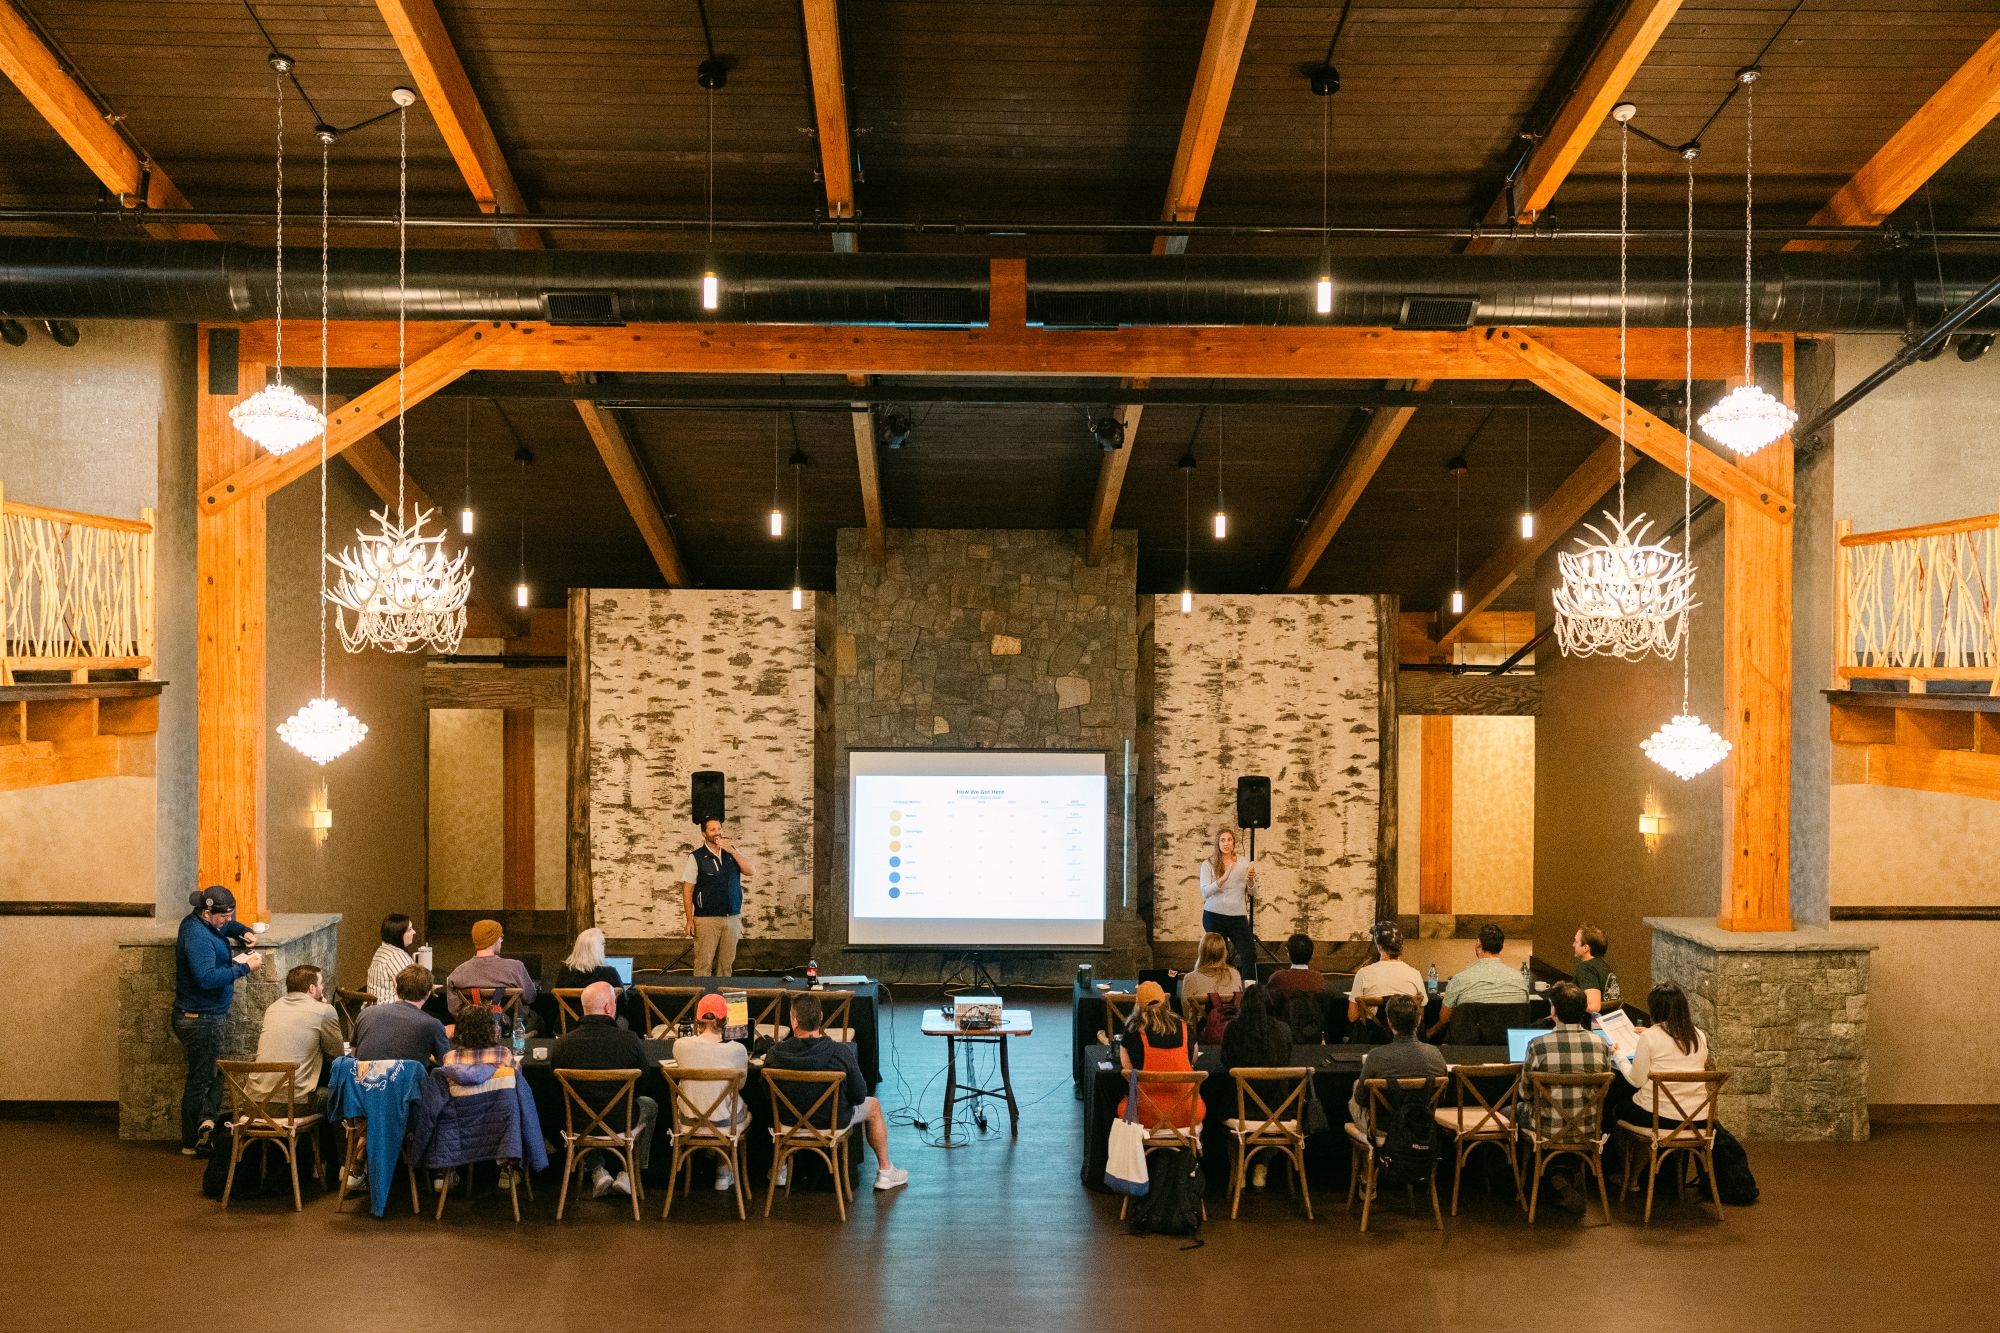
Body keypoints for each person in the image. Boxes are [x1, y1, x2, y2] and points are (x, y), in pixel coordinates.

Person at [767, 992, 908, 1191]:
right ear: (821, 1018)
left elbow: (768, 1094)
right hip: (833, 1122)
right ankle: (886, 1172)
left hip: (788, 1122)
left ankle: (780, 1169)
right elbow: (859, 1095)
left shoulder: (775, 1053)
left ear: (793, 1021)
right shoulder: (842, 1052)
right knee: (873, 1106)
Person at [172, 885, 263, 1156]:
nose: (228, 919)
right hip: (200, 1018)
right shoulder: (197, 937)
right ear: (207, 911)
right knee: (200, 1079)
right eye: (224, 915)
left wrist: (242, 930)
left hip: (203, 1016)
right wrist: (244, 967)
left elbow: (228, 927)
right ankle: (190, 1141)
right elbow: (207, 978)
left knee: (212, 1073)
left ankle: (206, 1124)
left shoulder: (201, 922)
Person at [549, 980, 658, 1200]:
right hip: (621, 1121)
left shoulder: (562, 1045)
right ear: (609, 1008)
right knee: (651, 1105)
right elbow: (644, 1083)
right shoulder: (629, 1041)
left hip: (578, 1123)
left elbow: (556, 1091)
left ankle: (597, 1171)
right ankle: (631, 1172)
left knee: (586, 1107)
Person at [1518, 981, 1613, 1213]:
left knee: (1512, 1112)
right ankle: (1565, 1173)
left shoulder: (1537, 1045)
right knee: (1570, 1121)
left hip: (1546, 1129)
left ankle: (1527, 1186)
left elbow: (1525, 1092)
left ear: (1553, 1011)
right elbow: (1604, 1092)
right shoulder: (1601, 1044)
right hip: (1588, 1128)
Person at [671, 993, 752, 1193]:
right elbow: (740, 1085)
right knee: (731, 1107)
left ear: (698, 1020)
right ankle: (723, 1171)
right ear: (726, 1021)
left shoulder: (680, 1046)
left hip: (688, 1123)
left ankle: (709, 1155)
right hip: (724, 1124)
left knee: (713, 1105)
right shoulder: (738, 1050)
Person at [437, 1004, 520, 1192]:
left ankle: (449, 1173)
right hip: (497, 1130)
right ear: (492, 1029)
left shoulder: (449, 1059)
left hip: (460, 1132)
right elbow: (517, 1084)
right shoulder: (503, 1054)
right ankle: (507, 1171)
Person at [1219, 984, 1293, 1189]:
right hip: (1276, 1109)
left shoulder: (1233, 1029)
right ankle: (1262, 1168)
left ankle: (1239, 1169)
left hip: (1239, 1110)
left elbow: (1226, 1061)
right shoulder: (1283, 1030)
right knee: (1272, 1112)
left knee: (1223, 1115)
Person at [247, 964, 345, 1114]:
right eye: (321, 983)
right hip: (295, 1105)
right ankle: (349, 1138)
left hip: (254, 1104)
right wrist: (323, 1010)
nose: (323, 988)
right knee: (344, 1096)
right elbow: (337, 1054)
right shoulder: (324, 1011)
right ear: (312, 988)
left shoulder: (272, 1008)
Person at [1613, 983, 1711, 1129]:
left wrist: (1618, 1055)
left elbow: (1637, 1080)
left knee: (1616, 1106)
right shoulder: (1699, 1035)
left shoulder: (1649, 1036)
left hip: (1661, 1116)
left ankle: (1629, 1152)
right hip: (1699, 1117)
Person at [1348, 994, 1447, 1128]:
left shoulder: (1376, 1056)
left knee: (1356, 1086)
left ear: (1389, 1022)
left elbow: (1361, 1099)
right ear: (1418, 1020)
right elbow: (1440, 1098)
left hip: (1384, 1128)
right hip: (1422, 1127)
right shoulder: (1435, 1054)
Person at [1115, 980, 1204, 1129]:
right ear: (1165, 1002)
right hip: (1187, 1115)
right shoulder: (1185, 1027)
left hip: (1144, 1116)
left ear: (1138, 1004)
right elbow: (1193, 1059)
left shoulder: (1132, 1029)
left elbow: (1128, 1071)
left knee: (1123, 1106)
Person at [680, 818, 758, 977]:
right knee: (703, 966)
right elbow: (688, 889)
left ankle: (722, 1002)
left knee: (726, 968)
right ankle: (703, 1002)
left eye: (719, 829)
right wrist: (689, 920)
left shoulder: (731, 853)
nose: (717, 833)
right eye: (712, 830)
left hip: (732, 917)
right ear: (704, 833)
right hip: (706, 919)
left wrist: (733, 851)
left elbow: (751, 871)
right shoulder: (696, 857)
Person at [1428, 923, 1529, 1039]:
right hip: (1507, 1048)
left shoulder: (1460, 979)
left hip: (1467, 1049)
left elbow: (1444, 1019)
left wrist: (1429, 1033)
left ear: (1478, 943)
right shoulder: (1519, 980)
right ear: (1502, 946)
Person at [351, 964, 452, 1065]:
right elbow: (448, 1065)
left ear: (396, 989)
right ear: (428, 994)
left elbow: (353, 1056)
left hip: (363, 1079)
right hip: (407, 1080)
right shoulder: (433, 1025)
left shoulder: (365, 1013)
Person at [445, 918, 537, 1025]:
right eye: (500, 937)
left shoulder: (458, 973)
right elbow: (530, 997)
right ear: (493, 939)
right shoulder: (515, 967)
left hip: (472, 1027)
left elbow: (454, 1009)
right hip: (508, 1026)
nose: (502, 940)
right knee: (538, 1021)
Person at [1197, 828, 1258, 980]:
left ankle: (1247, 992)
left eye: (1229, 840)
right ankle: (1220, 992)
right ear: (1217, 843)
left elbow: (1252, 893)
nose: (1226, 843)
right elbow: (1205, 892)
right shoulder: (1209, 864)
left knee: (1249, 954)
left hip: (1237, 917)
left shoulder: (1243, 862)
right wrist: (1222, 880)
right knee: (1219, 957)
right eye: (1222, 840)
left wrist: (1251, 881)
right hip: (1214, 916)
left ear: (1234, 843)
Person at [1350, 918, 1425, 1025]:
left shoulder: (1363, 974)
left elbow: (1352, 1016)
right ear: (1400, 946)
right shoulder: (1415, 974)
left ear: (1379, 946)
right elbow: (1420, 1017)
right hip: (1405, 1038)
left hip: (1373, 1038)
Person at [1177, 930, 1243, 1003]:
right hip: (1231, 1014)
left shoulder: (1190, 978)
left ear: (1201, 952)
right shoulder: (1235, 975)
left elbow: (1186, 1011)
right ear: (1224, 952)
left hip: (1202, 1014)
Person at [367, 914, 418, 1005]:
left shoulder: (383, 949)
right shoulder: (395, 955)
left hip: (374, 1011)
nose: (414, 932)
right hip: (390, 1012)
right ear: (398, 933)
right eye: (409, 929)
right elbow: (412, 988)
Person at [555, 927, 624, 991]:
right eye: (603, 944)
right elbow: (623, 1000)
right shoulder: (609, 973)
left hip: (569, 1005)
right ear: (598, 949)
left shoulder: (565, 972)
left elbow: (558, 996)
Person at [1263, 934, 1325, 1000]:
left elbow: (1265, 1000)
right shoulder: (1318, 978)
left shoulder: (1279, 977)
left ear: (1288, 954)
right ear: (1311, 954)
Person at [1573, 923, 1611, 1016]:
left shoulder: (1586, 968)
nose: (1573, 945)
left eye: (1576, 941)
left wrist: (1566, 1006)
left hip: (1588, 1026)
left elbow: (1593, 1007)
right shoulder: (1605, 967)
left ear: (1585, 948)